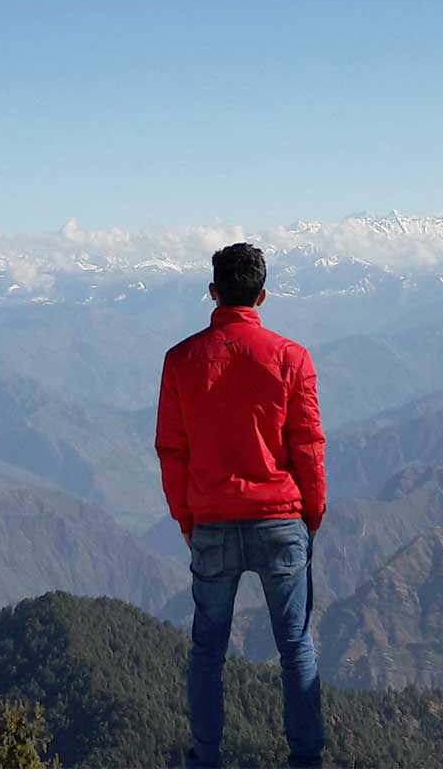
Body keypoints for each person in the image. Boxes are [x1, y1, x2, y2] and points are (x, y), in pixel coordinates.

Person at [156, 242, 327, 769]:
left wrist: (187, 518)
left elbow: (171, 449)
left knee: (207, 651)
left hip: (210, 518)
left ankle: (205, 759)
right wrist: (310, 517)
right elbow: (308, 445)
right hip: (280, 516)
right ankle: (305, 760)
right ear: (263, 294)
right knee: (295, 646)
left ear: (213, 292)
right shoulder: (291, 357)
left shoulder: (181, 360)